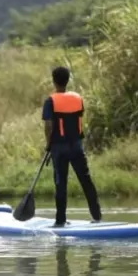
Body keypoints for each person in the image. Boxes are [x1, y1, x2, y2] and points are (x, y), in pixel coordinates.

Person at [42, 66, 102, 227]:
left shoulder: (50, 101)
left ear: (54, 81)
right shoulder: (78, 99)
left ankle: (60, 220)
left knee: (61, 183)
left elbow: (49, 126)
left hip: (59, 148)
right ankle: (97, 217)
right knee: (86, 180)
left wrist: (48, 144)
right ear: (68, 80)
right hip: (76, 145)